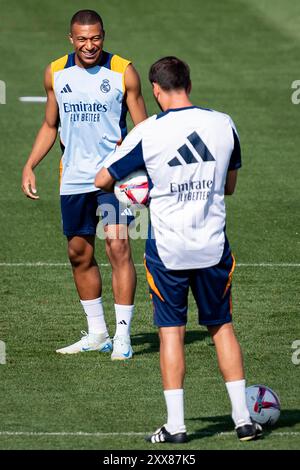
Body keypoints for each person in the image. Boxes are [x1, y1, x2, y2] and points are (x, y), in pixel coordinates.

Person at [94, 57, 263, 442]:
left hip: (168, 249)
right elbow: (230, 186)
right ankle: (243, 420)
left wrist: (138, 186)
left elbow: (102, 179)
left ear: (155, 89)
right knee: (222, 328)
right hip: (212, 245)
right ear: (188, 82)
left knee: (171, 333)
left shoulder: (149, 132)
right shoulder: (223, 123)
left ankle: (177, 427)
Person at [21, 10, 147, 360]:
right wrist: (30, 164)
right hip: (74, 177)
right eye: (82, 39)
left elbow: (144, 128)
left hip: (113, 178)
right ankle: (97, 333)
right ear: (71, 39)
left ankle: (123, 337)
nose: (90, 45)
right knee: (79, 253)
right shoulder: (56, 72)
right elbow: (50, 125)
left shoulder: (123, 71)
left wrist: (139, 168)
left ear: (103, 36)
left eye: (96, 38)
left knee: (118, 248)